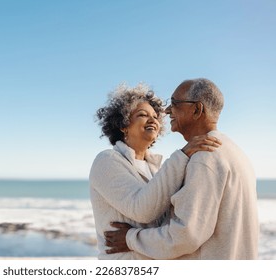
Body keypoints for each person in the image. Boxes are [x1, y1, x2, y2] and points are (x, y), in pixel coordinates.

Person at [104, 78, 259, 259]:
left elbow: (185, 236)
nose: (167, 110)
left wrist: (130, 238)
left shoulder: (204, 156)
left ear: (196, 109)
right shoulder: (235, 152)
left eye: (175, 103)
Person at [89, 82, 221, 259]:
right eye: (142, 115)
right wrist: (182, 154)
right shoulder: (107, 161)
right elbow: (142, 210)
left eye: (155, 116)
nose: (153, 120)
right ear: (123, 125)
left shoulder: (156, 167)